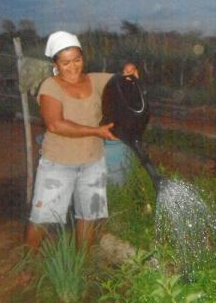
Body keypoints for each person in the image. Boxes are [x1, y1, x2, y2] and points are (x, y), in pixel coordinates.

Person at [25, 31, 137, 252]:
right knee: (43, 217)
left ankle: (83, 264)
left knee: (88, 215)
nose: (73, 67)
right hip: (58, 163)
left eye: (77, 60)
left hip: (93, 161)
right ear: (56, 63)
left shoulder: (96, 80)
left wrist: (130, 71)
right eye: (66, 62)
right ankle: (27, 264)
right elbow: (55, 124)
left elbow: (125, 82)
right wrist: (96, 131)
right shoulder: (50, 86)